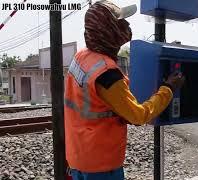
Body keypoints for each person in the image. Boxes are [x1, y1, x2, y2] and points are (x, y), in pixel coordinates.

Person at [64, 0, 185, 179]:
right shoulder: (107, 74)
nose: (126, 25)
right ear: (106, 29)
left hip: (78, 157)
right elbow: (137, 116)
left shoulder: (82, 56)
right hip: (101, 166)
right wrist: (168, 88)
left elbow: (98, 99)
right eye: (119, 22)